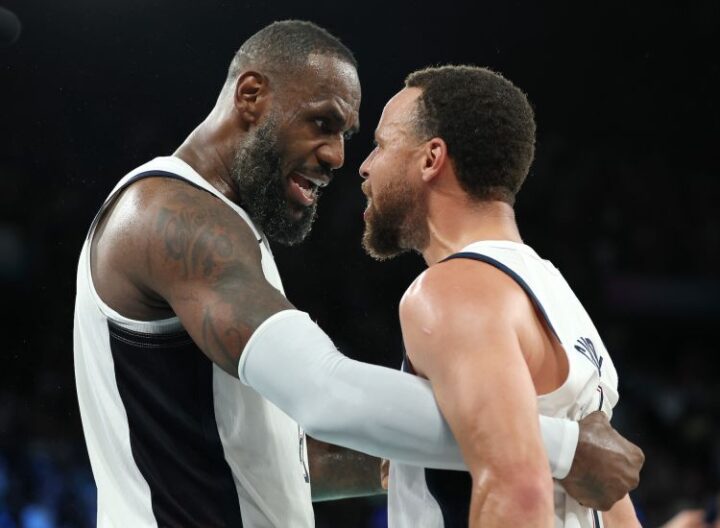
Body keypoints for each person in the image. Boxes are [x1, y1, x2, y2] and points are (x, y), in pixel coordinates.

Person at [73, 21, 643, 527]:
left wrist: (415, 457)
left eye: (348, 136)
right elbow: (324, 392)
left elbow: (280, 459)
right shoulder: (170, 216)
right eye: (322, 123)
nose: (340, 158)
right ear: (250, 96)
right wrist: (562, 447)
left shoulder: (230, 233)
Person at [358, 65, 643, 527]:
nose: (366, 165)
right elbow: (608, 500)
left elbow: (517, 492)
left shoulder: (452, 291)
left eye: (382, 144)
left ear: (431, 159)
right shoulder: (553, 290)